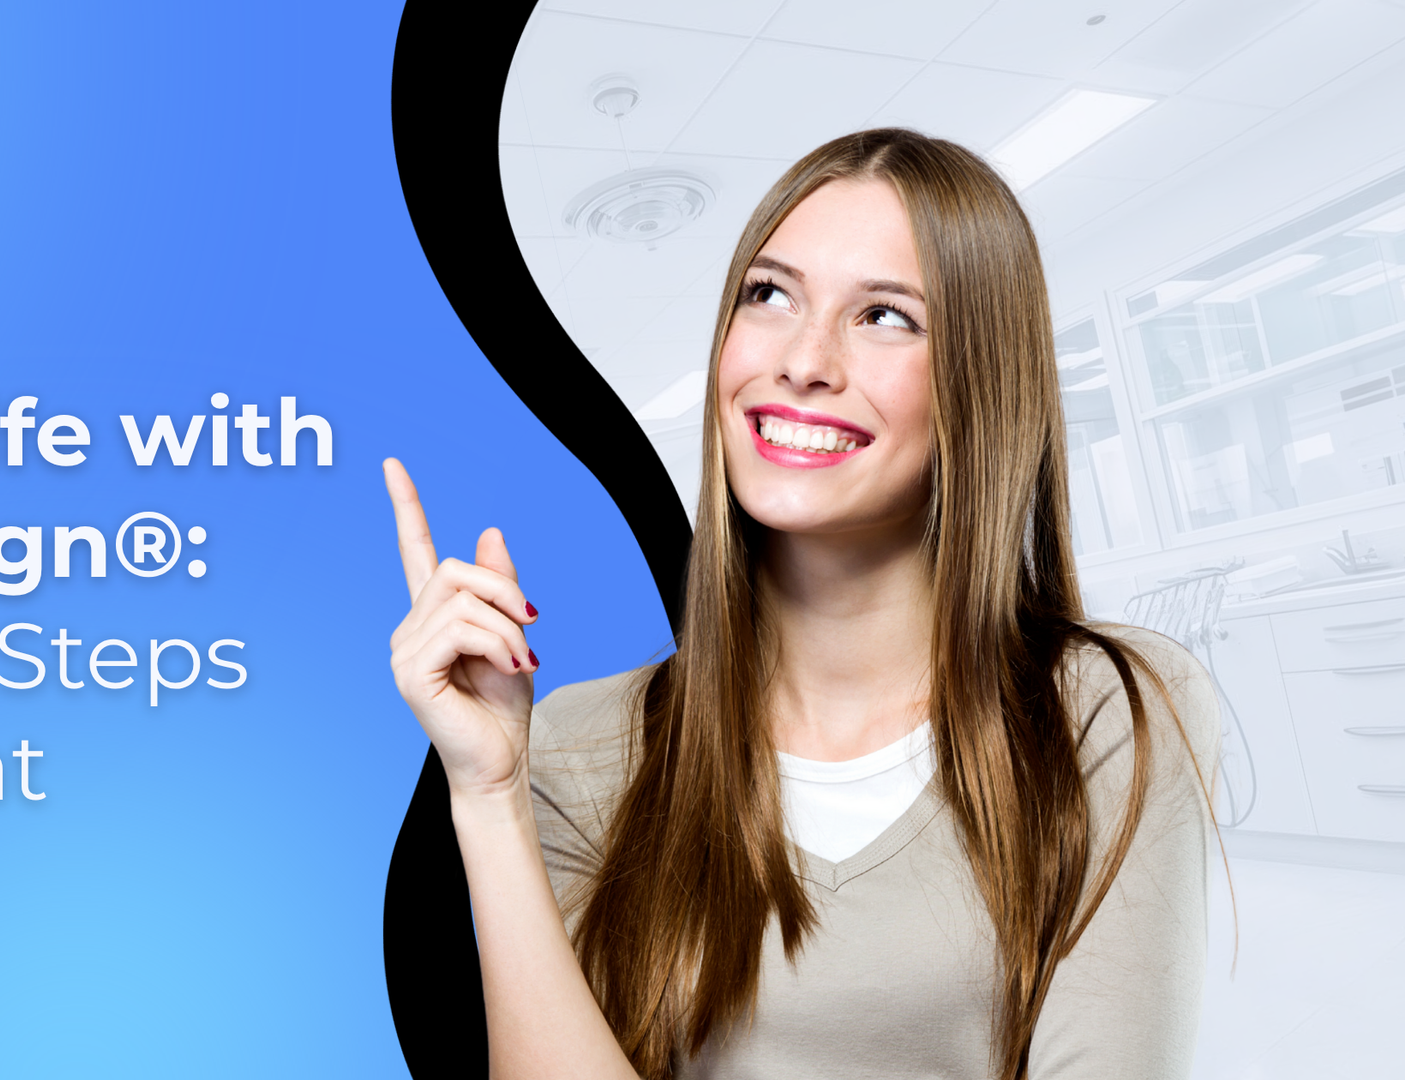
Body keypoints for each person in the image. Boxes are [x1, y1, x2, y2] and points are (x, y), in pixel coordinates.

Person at [384, 128, 1220, 1080]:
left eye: (887, 317)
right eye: (769, 295)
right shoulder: (579, 745)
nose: (804, 359)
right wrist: (487, 797)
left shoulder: (1103, 710)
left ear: (979, 387)